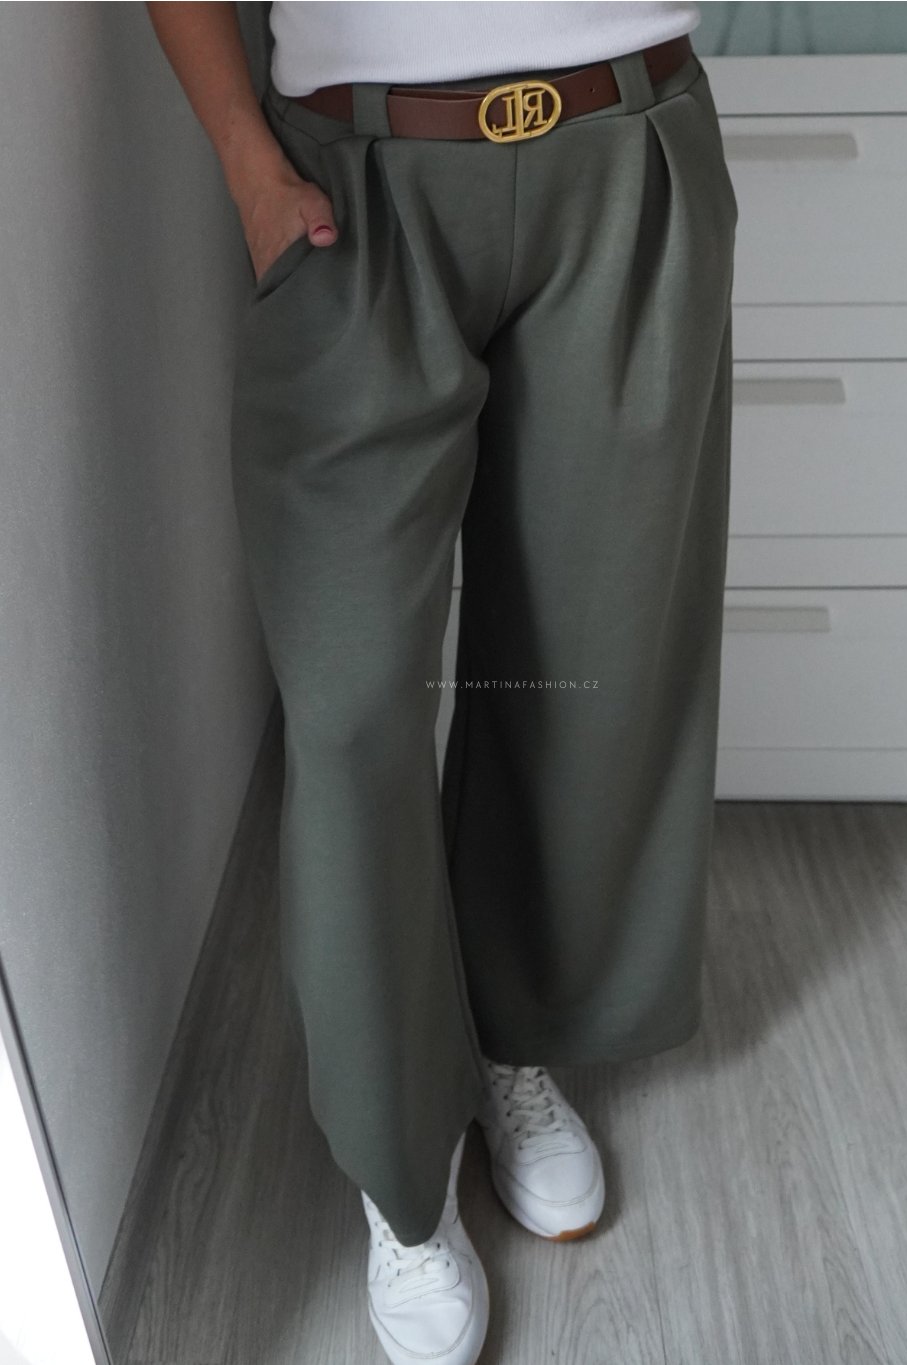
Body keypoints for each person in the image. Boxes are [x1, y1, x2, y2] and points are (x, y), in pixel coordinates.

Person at [145, 3, 736, 1362]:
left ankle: (512, 1033)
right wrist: (245, 160)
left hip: (624, 140)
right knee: (350, 703)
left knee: (582, 665)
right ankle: (401, 1171)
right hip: (354, 181)